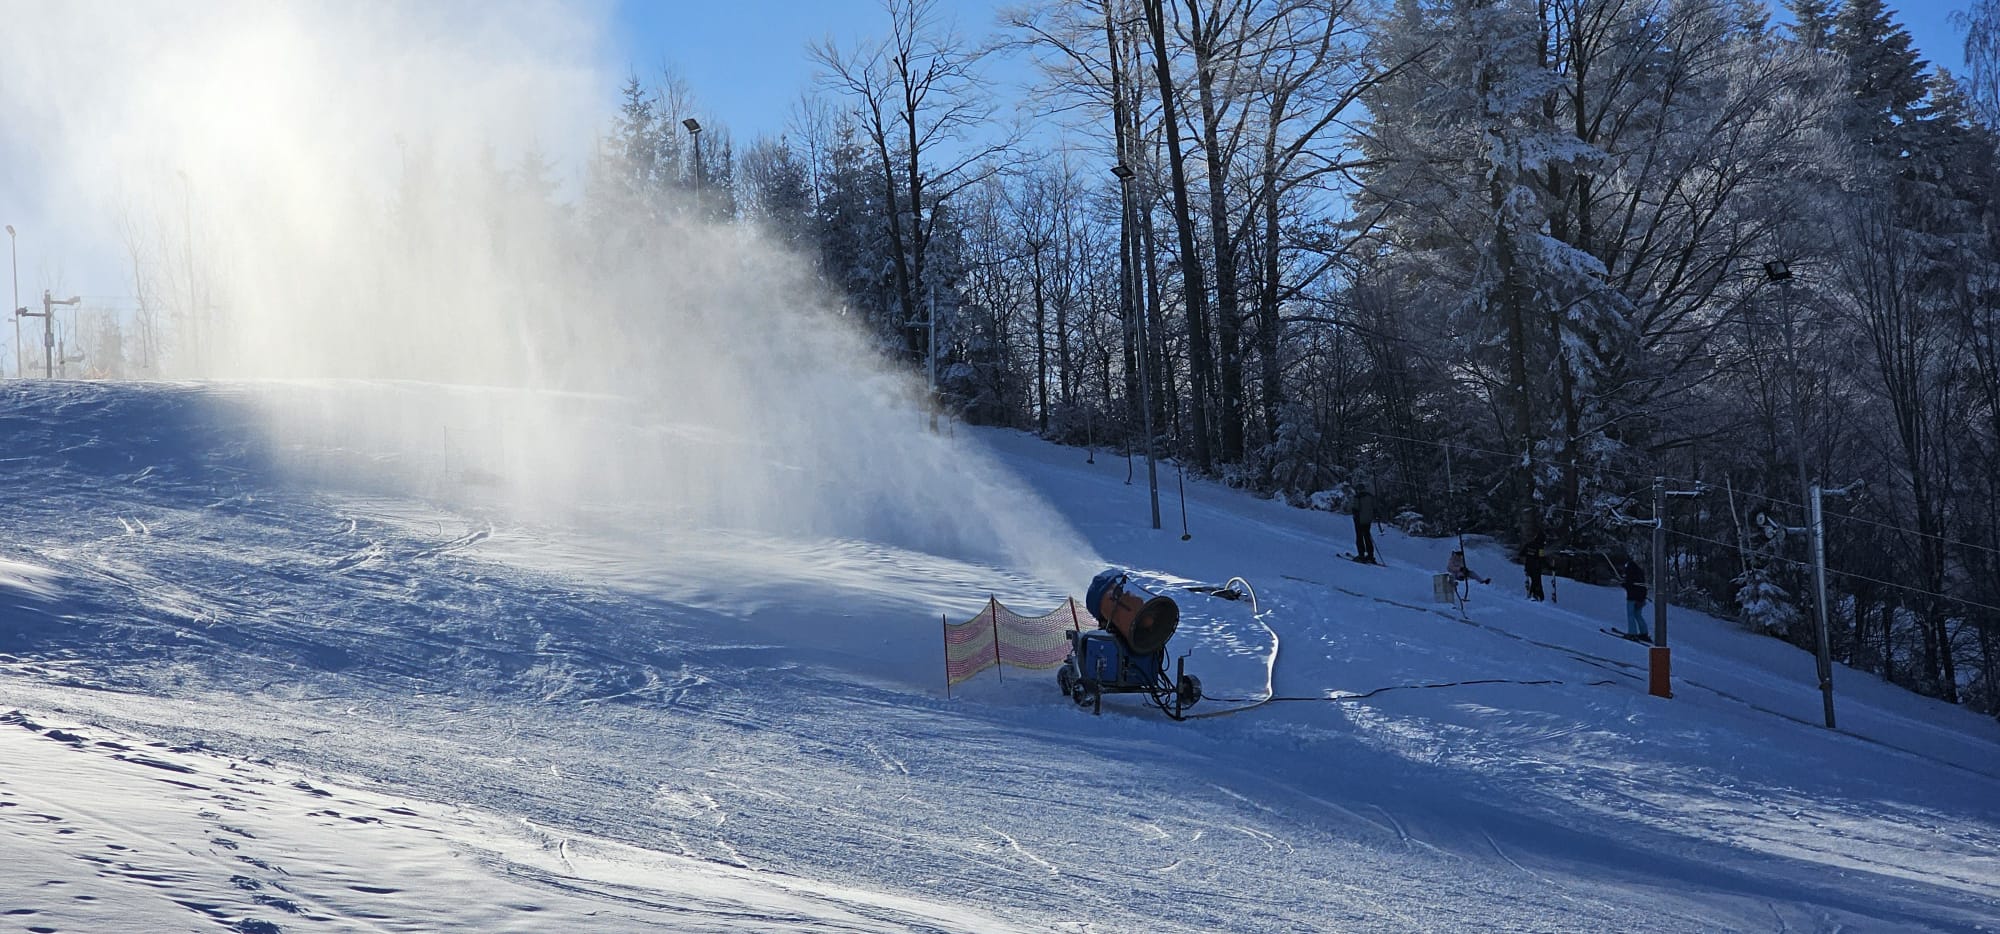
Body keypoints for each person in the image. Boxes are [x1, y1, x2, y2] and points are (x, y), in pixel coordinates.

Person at [1621, 556, 1650, 640]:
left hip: (1632, 598)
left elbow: (1629, 585)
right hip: (1641, 598)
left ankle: (1632, 633)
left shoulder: (1630, 573)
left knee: (1630, 615)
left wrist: (1624, 584)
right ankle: (1644, 632)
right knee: (1638, 615)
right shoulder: (1640, 573)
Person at [1350, 486, 1379, 564]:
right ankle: (1370, 555)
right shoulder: (1370, 496)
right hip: (1368, 520)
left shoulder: (1357, 497)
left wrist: (1355, 516)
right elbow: (1375, 507)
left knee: (1359, 537)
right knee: (1367, 537)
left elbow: (1355, 509)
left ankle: (1361, 555)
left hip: (1359, 520)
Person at [1522, 532, 1547, 602]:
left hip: (1528, 567)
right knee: (1537, 582)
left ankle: (1532, 595)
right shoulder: (1540, 547)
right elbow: (1542, 559)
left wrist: (1529, 556)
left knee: (1534, 581)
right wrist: (1550, 567)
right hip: (1536, 568)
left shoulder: (1528, 544)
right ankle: (1539, 598)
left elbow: (1522, 553)